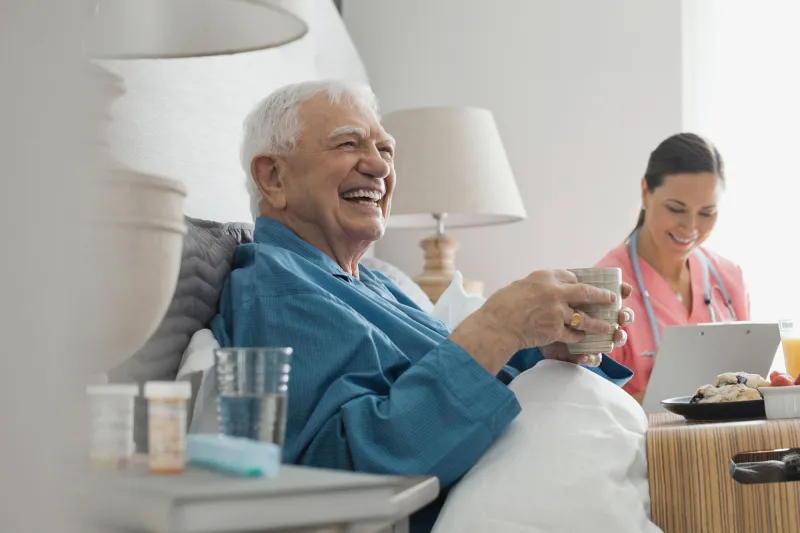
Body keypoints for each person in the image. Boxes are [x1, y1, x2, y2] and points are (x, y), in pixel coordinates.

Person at [211, 79, 636, 533]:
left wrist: (542, 349)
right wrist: (497, 328)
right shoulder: (280, 287)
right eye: (347, 143)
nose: (379, 166)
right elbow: (340, 474)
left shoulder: (373, 283)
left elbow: (454, 377)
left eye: (385, 150)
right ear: (274, 178)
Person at [596, 133, 750, 403]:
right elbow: (596, 406)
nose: (690, 227)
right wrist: (665, 397)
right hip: (642, 432)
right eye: (676, 209)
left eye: (706, 213)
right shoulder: (605, 289)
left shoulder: (729, 279)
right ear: (646, 192)